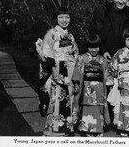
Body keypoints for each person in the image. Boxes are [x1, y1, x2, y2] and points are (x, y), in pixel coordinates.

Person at [37, 7, 79, 136]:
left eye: (67, 17)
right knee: (55, 98)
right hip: (56, 68)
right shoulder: (51, 33)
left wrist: (74, 70)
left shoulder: (70, 36)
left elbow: (75, 53)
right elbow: (47, 54)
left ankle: (66, 128)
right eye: (61, 17)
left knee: (68, 97)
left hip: (69, 69)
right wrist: (54, 70)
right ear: (56, 18)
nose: (64, 20)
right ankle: (53, 129)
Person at [72, 33, 111, 137]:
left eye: (96, 47)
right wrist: (76, 84)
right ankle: (88, 129)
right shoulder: (82, 58)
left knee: (99, 108)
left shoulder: (102, 60)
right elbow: (77, 73)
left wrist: (108, 86)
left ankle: (98, 128)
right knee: (87, 108)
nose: (94, 50)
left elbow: (106, 75)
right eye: (91, 47)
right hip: (86, 87)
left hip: (99, 88)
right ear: (87, 47)